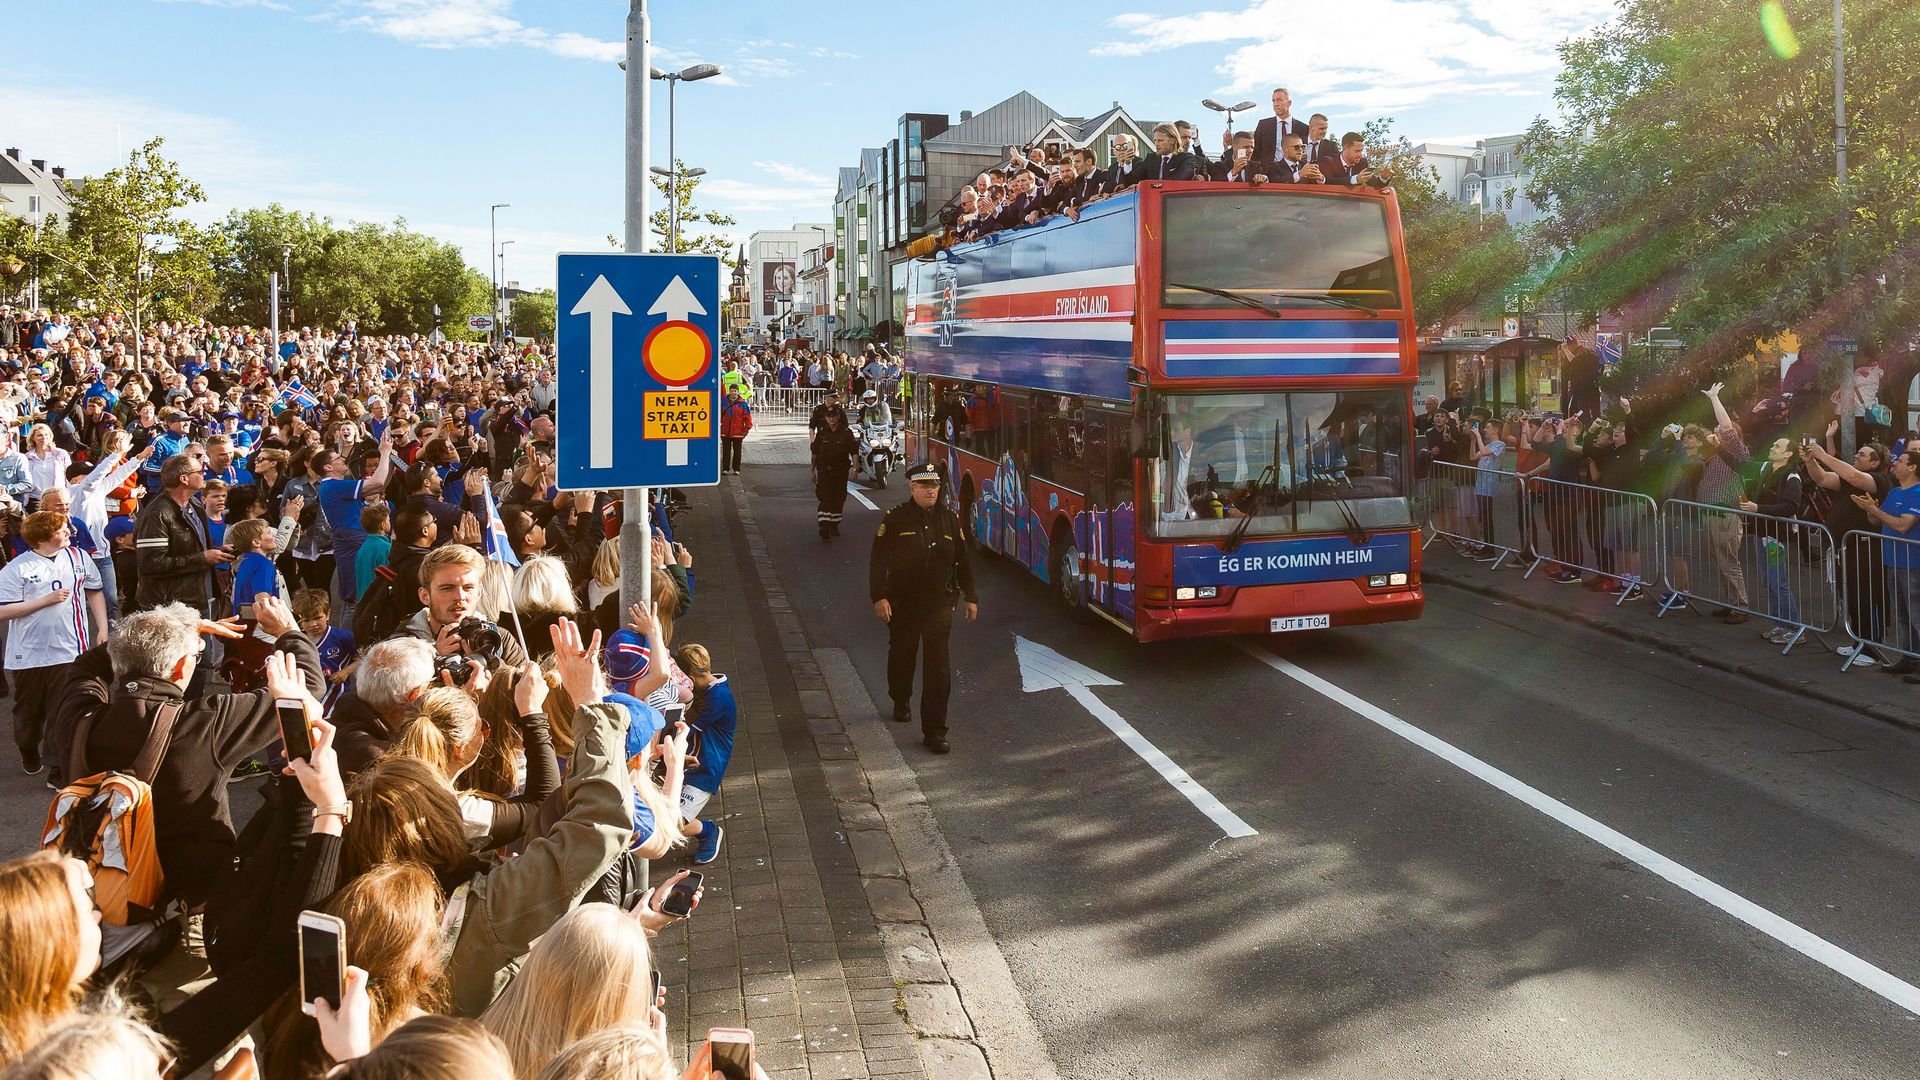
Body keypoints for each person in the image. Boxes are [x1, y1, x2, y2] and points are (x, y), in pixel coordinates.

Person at [60, 597, 320, 907]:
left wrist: (156, 636)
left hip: (96, 896)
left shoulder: (79, 718)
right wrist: (288, 630)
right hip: (184, 904)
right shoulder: (204, 724)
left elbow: (86, 666)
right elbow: (306, 690)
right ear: (182, 666)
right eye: (196, 655)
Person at [869, 463, 977, 754]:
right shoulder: (895, 520)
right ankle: (900, 698)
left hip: (939, 604)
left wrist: (971, 596)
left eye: (935, 486)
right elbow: (878, 561)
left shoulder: (950, 519)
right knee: (902, 657)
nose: (931, 490)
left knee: (938, 668)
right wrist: (879, 597)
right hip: (903, 603)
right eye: (924, 486)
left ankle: (935, 731)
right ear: (912, 488)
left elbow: (963, 560)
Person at [0, 511, 107, 776]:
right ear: (45, 537)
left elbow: (94, 590)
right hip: (29, 654)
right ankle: (28, 748)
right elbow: (2, 611)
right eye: (62, 530)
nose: (70, 532)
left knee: (63, 712)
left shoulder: (79, 557)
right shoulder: (18, 567)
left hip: (70, 650)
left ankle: (57, 769)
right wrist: (44, 600)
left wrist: (103, 627)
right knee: (28, 717)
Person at [133, 453, 230, 618]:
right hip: (169, 608)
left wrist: (216, 551)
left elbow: (188, 549)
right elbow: (150, 564)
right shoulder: (156, 514)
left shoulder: (195, 504)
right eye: (199, 471)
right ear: (184, 479)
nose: (204, 473)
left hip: (198, 600)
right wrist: (203, 558)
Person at [1851, 448, 1920, 677]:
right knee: (1902, 614)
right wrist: (1870, 508)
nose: (1895, 464)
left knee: (1916, 614)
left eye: (1900, 461)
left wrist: (1874, 510)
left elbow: (1902, 525)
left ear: (1912, 467)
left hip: (1913, 564)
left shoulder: (1917, 493)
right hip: (1893, 562)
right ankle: (1909, 658)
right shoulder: (1895, 493)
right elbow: (1876, 521)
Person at [673, 642, 735, 864]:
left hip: (706, 768)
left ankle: (708, 832)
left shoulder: (716, 699)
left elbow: (686, 730)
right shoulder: (712, 690)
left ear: (690, 676)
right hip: (694, 764)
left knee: (673, 822)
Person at [1740, 437, 1806, 644]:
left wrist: (1758, 509)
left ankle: (1795, 628)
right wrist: (1717, 447)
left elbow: (1791, 506)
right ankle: (1780, 624)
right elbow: (1740, 466)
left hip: (1776, 537)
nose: (1772, 446)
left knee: (1779, 582)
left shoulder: (1792, 476)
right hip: (1761, 533)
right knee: (1769, 581)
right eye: (1773, 443)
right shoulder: (1766, 469)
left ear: (1788, 454)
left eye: (1777, 446)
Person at [812, 408, 858, 539]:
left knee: (838, 498)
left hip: (841, 471)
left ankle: (834, 524)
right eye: (828, 416)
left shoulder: (846, 433)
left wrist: (855, 469)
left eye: (833, 416)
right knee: (825, 497)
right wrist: (812, 471)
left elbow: (854, 452)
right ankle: (823, 525)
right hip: (824, 471)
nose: (831, 419)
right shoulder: (822, 433)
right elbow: (815, 454)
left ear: (838, 417)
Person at [720, 385, 752, 477]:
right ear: (729, 391)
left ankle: (736, 469)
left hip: (738, 432)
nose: (733, 393)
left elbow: (748, 418)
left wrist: (746, 430)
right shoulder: (723, 402)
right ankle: (725, 468)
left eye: (735, 391)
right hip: (725, 431)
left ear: (738, 392)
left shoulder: (743, 404)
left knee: (737, 452)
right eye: (732, 391)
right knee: (726, 451)